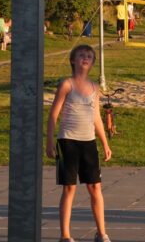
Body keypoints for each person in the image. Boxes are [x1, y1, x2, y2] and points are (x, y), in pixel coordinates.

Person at [46, 44, 112, 242]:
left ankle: (101, 233)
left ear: (92, 63)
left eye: (89, 56)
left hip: (88, 142)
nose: (85, 57)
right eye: (81, 55)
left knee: (95, 187)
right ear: (73, 60)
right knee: (69, 188)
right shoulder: (67, 84)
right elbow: (54, 114)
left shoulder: (94, 87)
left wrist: (105, 144)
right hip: (68, 141)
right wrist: (50, 142)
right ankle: (65, 235)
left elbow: (97, 118)